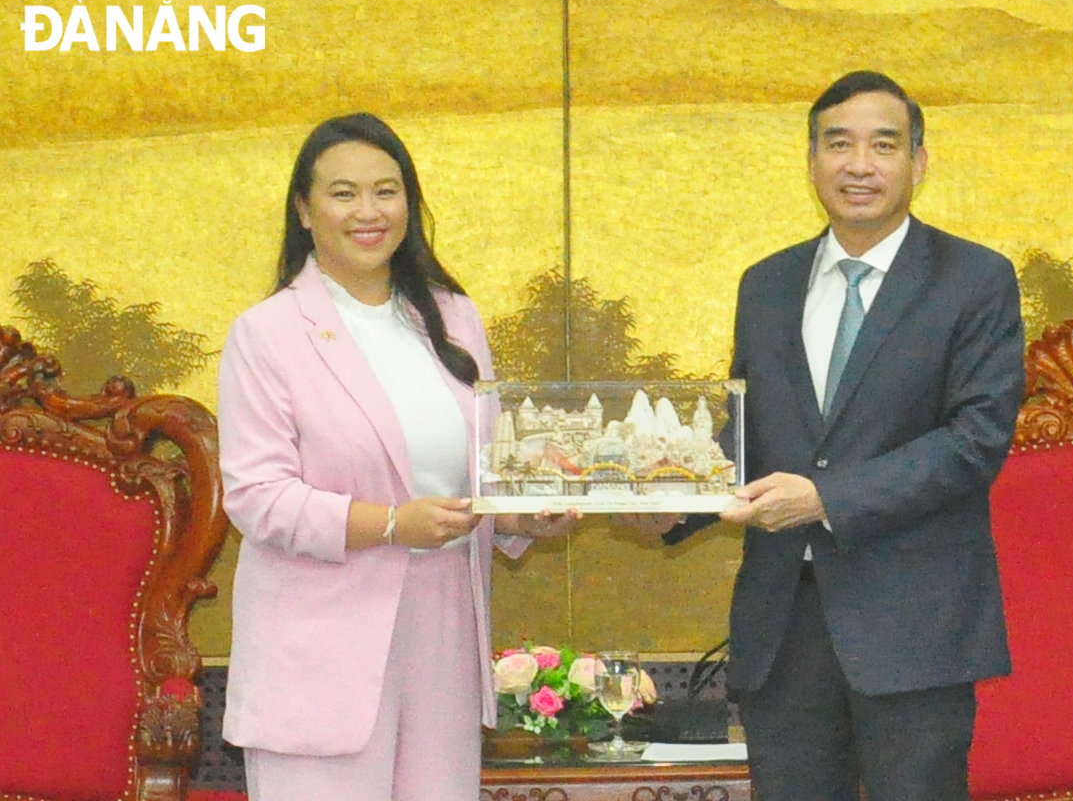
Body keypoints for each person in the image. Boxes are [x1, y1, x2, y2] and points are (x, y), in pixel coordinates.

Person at [656, 71, 1026, 800]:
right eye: (839, 144)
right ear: (812, 160)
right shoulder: (766, 283)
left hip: (914, 630)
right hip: (783, 627)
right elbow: (746, 433)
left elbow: (975, 439)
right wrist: (672, 498)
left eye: (882, 145)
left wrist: (823, 497)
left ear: (917, 161)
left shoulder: (975, 279)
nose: (859, 164)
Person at [216, 112, 573, 801]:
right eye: (343, 193)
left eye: (387, 191)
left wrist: (530, 515)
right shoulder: (266, 334)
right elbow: (258, 499)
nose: (368, 212)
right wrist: (389, 524)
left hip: (442, 628)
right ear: (304, 209)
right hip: (320, 648)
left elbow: (482, 475)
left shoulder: (454, 318)